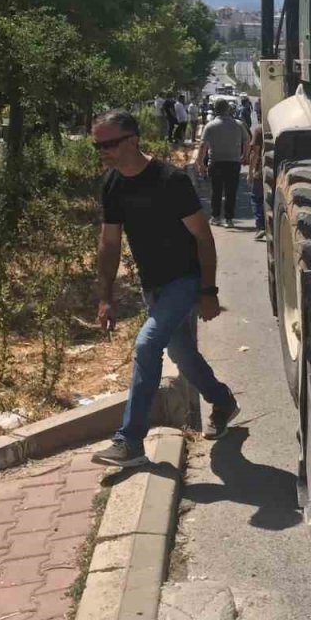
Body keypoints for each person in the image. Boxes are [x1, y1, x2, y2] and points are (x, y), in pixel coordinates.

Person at [91, 110, 239, 467]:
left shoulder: (170, 180)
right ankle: (223, 401)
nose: (103, 152)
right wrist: (105, 297)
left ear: (132, 140)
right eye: (98, 146)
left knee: (146, 345)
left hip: (185, 281)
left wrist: (208, 290)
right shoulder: (112, 184)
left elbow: (203, 237)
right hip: (153, 285)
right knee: (183, 356)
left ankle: (130, 442)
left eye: (109, 144)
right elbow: (109, 244)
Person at [196, 99, 249, 228]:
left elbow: (203, 146)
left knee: (216, 190)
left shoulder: (210, 126)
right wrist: (244, 156)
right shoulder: (239, 124)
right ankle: (229, 219)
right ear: (228, 109)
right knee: (231, 191)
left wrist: (200, 163)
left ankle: (215, 217)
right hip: (233, 162)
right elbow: (247, 141)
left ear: (215, 109)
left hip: (216, 162)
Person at [246, 122, 265, 241]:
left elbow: (255, 153)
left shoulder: (259, 130)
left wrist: (250, 172)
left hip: (261, 171)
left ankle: (260, 227)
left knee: (257, 199)